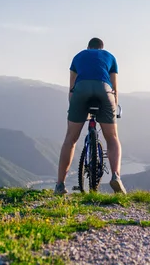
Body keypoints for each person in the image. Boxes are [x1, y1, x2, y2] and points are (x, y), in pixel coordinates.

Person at [54, 37, 126, 195]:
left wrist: (75, 109)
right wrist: (114, 108)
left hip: (81, 91)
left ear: (88, 47)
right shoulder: (110, 57)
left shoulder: (78, 57)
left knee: (71, 139)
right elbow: (114, 88)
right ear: (102, 48)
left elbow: (71, 88)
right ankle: (116, 176)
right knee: (112, 138)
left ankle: (60, 185)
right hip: (104, 90)